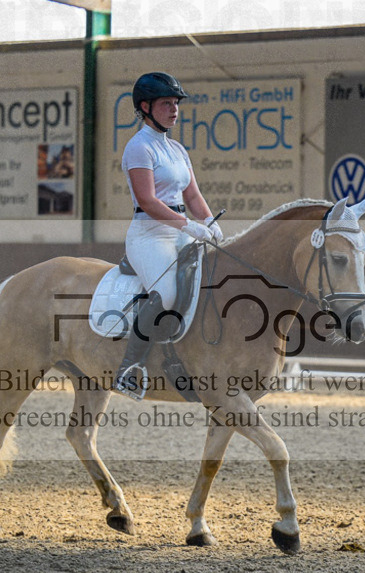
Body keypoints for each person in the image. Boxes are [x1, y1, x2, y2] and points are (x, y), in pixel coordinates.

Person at [113, 72, 223, 400]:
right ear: (145, 107)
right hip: (149, 235)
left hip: (178, 230)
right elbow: (147, 200)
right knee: (166, 292)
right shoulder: (138, 148)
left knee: (214, 276)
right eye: (166, 103)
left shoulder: (176, 149)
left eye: (176, 103)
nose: (174, 109)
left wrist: (208, 220)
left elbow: (192, 195)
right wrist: (188, 226)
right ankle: (129, 367)